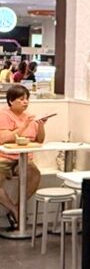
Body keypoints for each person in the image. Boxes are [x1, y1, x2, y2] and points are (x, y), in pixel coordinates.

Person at [0, 85, 48, 228]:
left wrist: (41, 126)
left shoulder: (30, 117)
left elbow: (39, 141)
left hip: (26, 158)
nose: (25, 102)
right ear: (11, 101)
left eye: (27, 99)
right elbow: (4, 139)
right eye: (21, 99)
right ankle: (14, 209)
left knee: (35, 175)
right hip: (5, 157)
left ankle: (18, 207)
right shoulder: (4, 115)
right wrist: (24, 126)